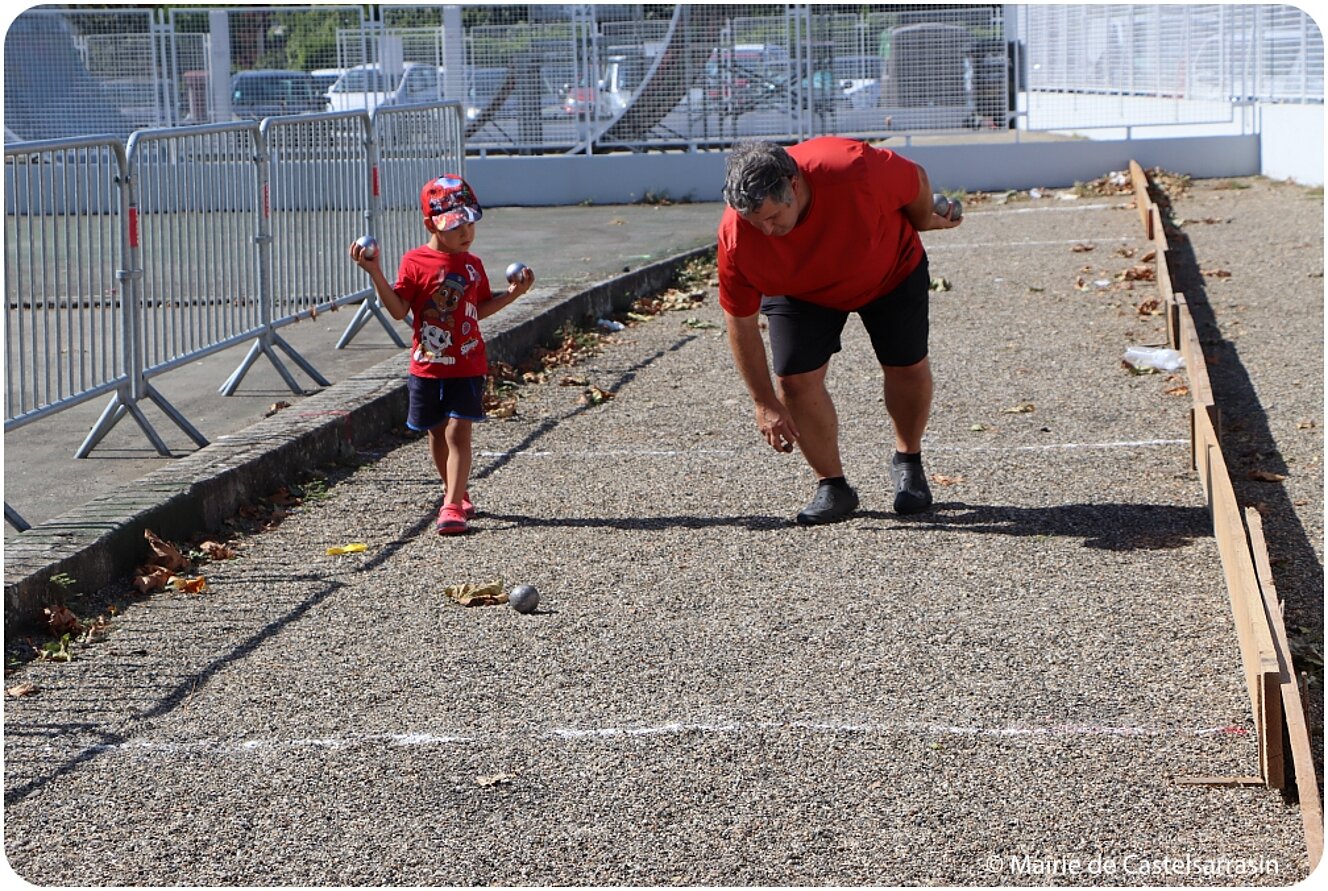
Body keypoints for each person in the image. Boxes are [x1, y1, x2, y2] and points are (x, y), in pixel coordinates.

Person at [717, 138, 962, 525]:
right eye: (754, 221)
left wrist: (921, 220)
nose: (766, 230)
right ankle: (832, 485)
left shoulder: (852, 168)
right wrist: (764, 402)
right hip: (800, 289)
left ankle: (908, 461)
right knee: (794, 382)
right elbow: (740, 322)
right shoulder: (737, 236)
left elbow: (915, 179)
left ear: (793, 185)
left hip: (889, 269)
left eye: (773, 217)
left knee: (907, 366)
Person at [350, 174, 533, 535]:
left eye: (469, 223)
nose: (466, 232)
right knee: (436, 434)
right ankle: (457, 491)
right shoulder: (415, 261)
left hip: (468, 363)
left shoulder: (472, 264)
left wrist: (514, 294)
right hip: (428, 366)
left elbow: (478, 309)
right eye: (455, 226)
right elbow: (399, 310)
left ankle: (450, 506)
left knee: (458, 432)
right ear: (430, 224)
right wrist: (375, 273)